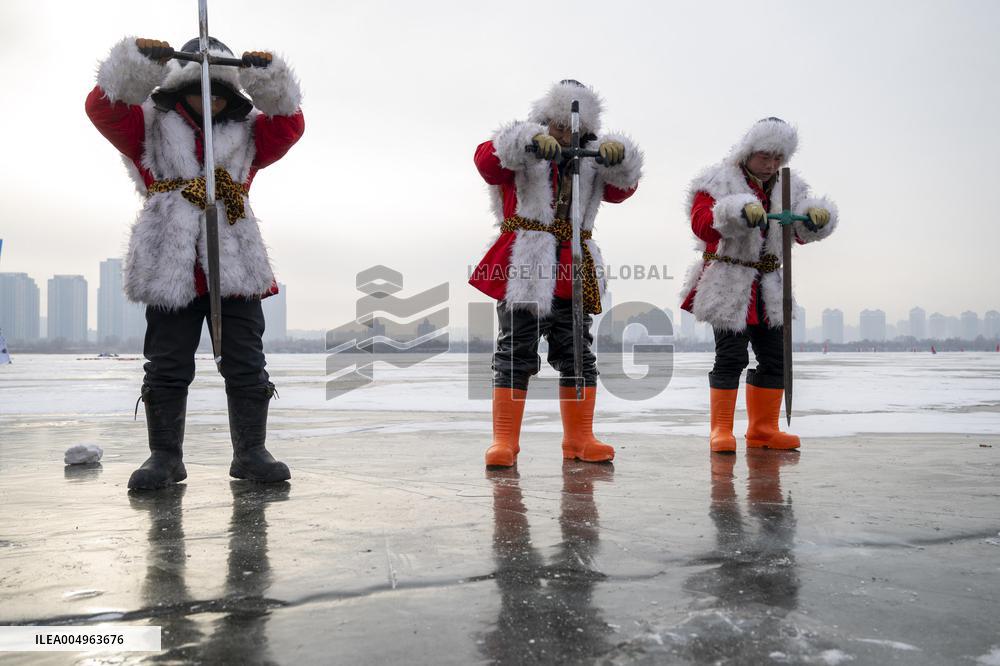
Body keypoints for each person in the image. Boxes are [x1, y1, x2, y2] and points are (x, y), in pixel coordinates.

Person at [86, 36, 305, 489]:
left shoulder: (249, 132)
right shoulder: (145, 125)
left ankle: (251, 452)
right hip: (172, 259)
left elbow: (289, 124)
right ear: (177, 88)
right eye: (199, 90)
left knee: (246, 362)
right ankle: (164, 456)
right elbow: (101, 108)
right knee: (166, 364)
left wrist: (268, 78)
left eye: (220, 91)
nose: (211, 99)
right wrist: (137, 66)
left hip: (235, 261)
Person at [469, 80, 643, 468]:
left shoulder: (592, 157)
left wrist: (619, 157)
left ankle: (579, 439)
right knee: (515, 351)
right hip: (526, 263)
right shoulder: (521, 146)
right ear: (545, 120)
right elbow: (487, 162)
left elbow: (622, 189)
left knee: (577, 354)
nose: (565, 133)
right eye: (558, 125)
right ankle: (505, 441)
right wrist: (528, 143)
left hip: (573, 263)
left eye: (572, 127)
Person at [680, 118, 837, 453]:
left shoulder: (790, 189)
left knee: (775, 358)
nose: (771, 165)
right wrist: (735, 213)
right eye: (765, 157)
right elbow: (702, 225)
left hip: (769, 285)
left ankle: (764, 429)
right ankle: (721, 430)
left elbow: (796, 234)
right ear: (748, 153)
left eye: (778, 159)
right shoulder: (717, 181)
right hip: (730, 282)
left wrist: (813, 219)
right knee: (731, 357)